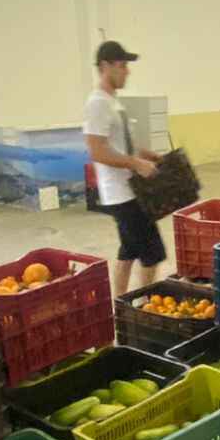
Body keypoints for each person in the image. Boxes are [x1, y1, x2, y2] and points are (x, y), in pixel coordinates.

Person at [84, 40, 165, 295]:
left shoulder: (113, 102)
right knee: (152, 253)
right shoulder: (97, 103)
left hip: (130, 189)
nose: (127, 71)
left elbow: (121, 145)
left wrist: (148, 155)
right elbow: (97, 150)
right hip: (122, 193)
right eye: (122, 65)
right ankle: (145, 307)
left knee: (128, 250)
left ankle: (120, 306)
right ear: (106, 66)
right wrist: (135, 163)